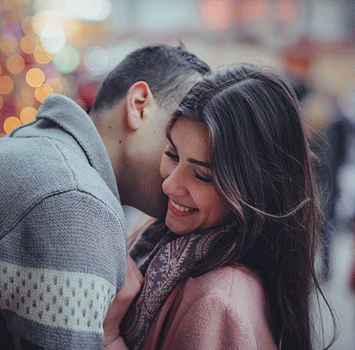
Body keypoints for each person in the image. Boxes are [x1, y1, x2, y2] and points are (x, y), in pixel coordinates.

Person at [0, 44, 210, 350]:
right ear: (138, 105)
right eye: (177, 140)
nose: (185, 167)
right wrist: (108, 335)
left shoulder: (36, 153)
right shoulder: (74, 198)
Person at [105, 64, 333, 350]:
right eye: (173, 154)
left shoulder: (220, 301)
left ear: (255, 189)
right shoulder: (164, 239)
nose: (170, 186)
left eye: (202, 176)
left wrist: (109, 336)